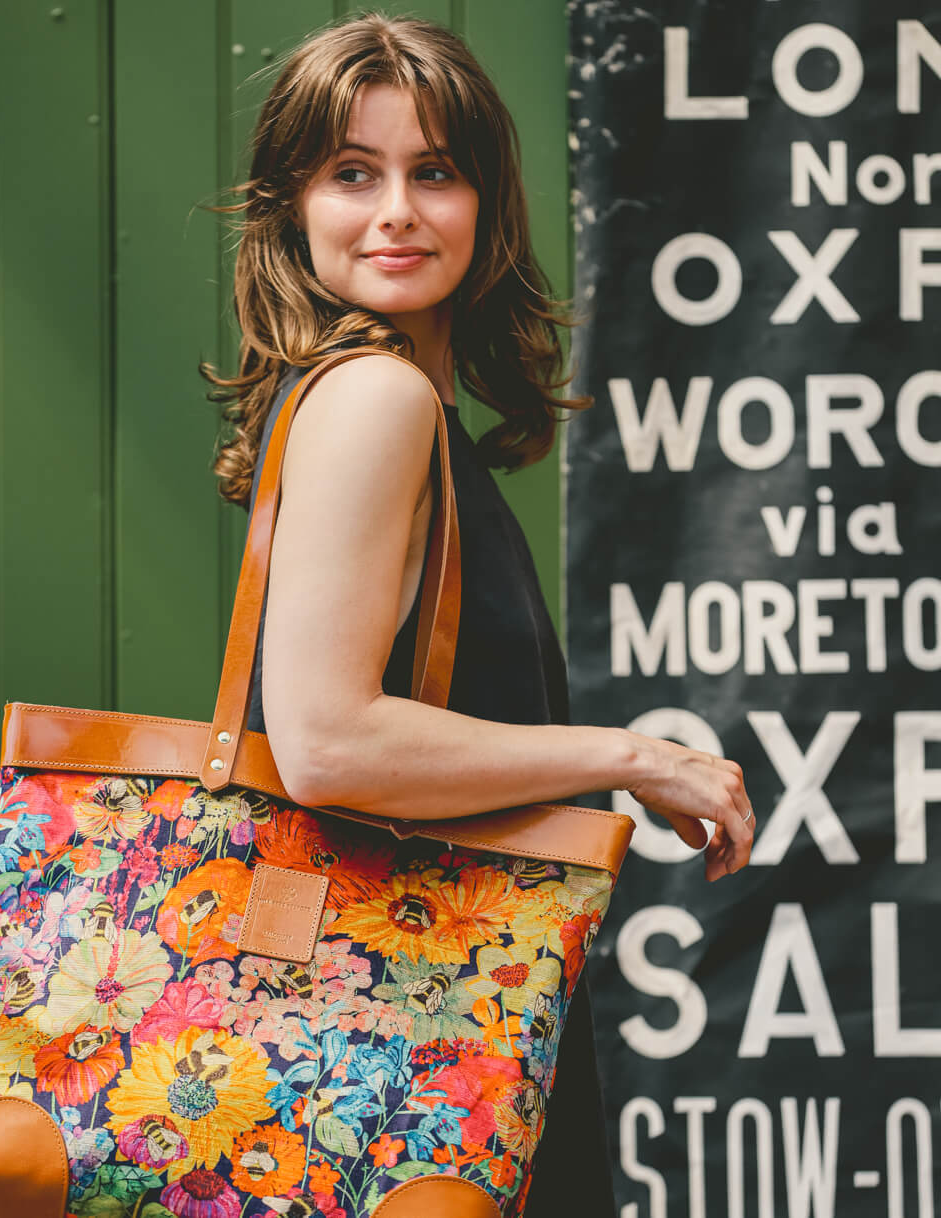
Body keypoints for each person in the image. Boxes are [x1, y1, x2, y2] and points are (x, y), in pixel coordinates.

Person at [204, 13, 754, 1217]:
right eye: (353, 172)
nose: (395, 209)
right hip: (411, 1055)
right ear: (293, 204)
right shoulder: (377, 400)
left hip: (417, 1043)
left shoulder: (378, 397)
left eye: (433, 171)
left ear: (486, 205)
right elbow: (328, 740)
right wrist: (636, 758)